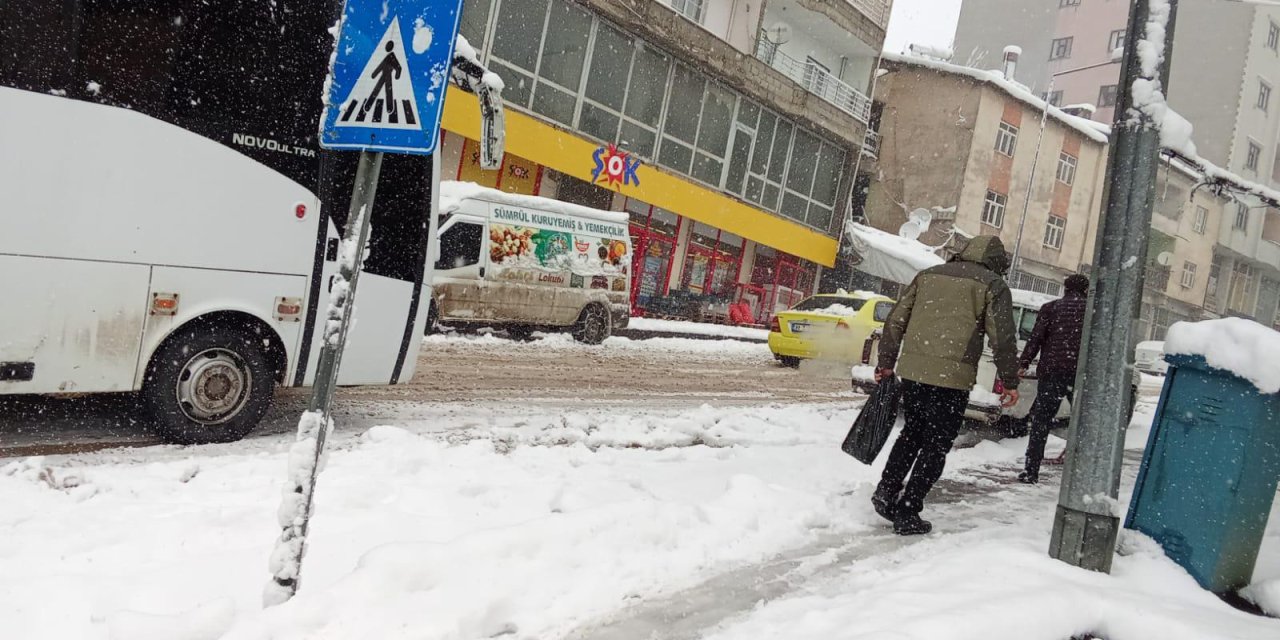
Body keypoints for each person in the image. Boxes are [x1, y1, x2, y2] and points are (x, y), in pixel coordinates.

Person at [871, 236, 1021, 536]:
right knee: (936, 445)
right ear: (996, 262)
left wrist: (886, 361)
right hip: (952, 378)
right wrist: (1009, 380)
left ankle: (886, 491)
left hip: (913, 371)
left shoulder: (928, 275)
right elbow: (1002, 337)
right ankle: (909, 509)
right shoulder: (993, 285)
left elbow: (895, 320)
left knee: (911, 434)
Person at [1016, 274, 1089, 483]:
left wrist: (1023, 363)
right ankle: (1080, 472)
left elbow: (1036, 338)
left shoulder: (1051, 308)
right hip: (1079, 373)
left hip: (1052, 371)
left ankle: (1031, 470)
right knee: (1082, 421)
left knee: (1042, 421)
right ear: (1085, 290)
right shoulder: (1092, 312)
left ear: (1065, 288)